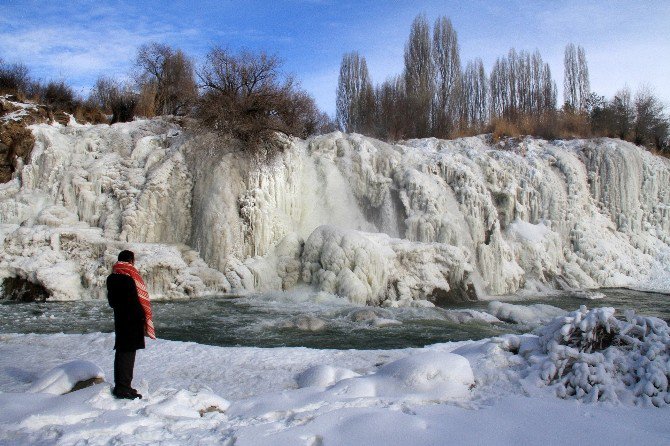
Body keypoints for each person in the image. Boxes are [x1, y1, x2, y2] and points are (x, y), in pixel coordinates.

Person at [106, 250, 156, 399]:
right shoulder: (130, 278)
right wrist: (143, 318)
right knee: (128, 354)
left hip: (120, 319)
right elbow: (137, 301)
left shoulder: (111, 278)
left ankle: (121, 385)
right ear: (131, 261)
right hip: (132, 321)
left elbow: (112, 302)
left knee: (122, 351)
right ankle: (123, 388)